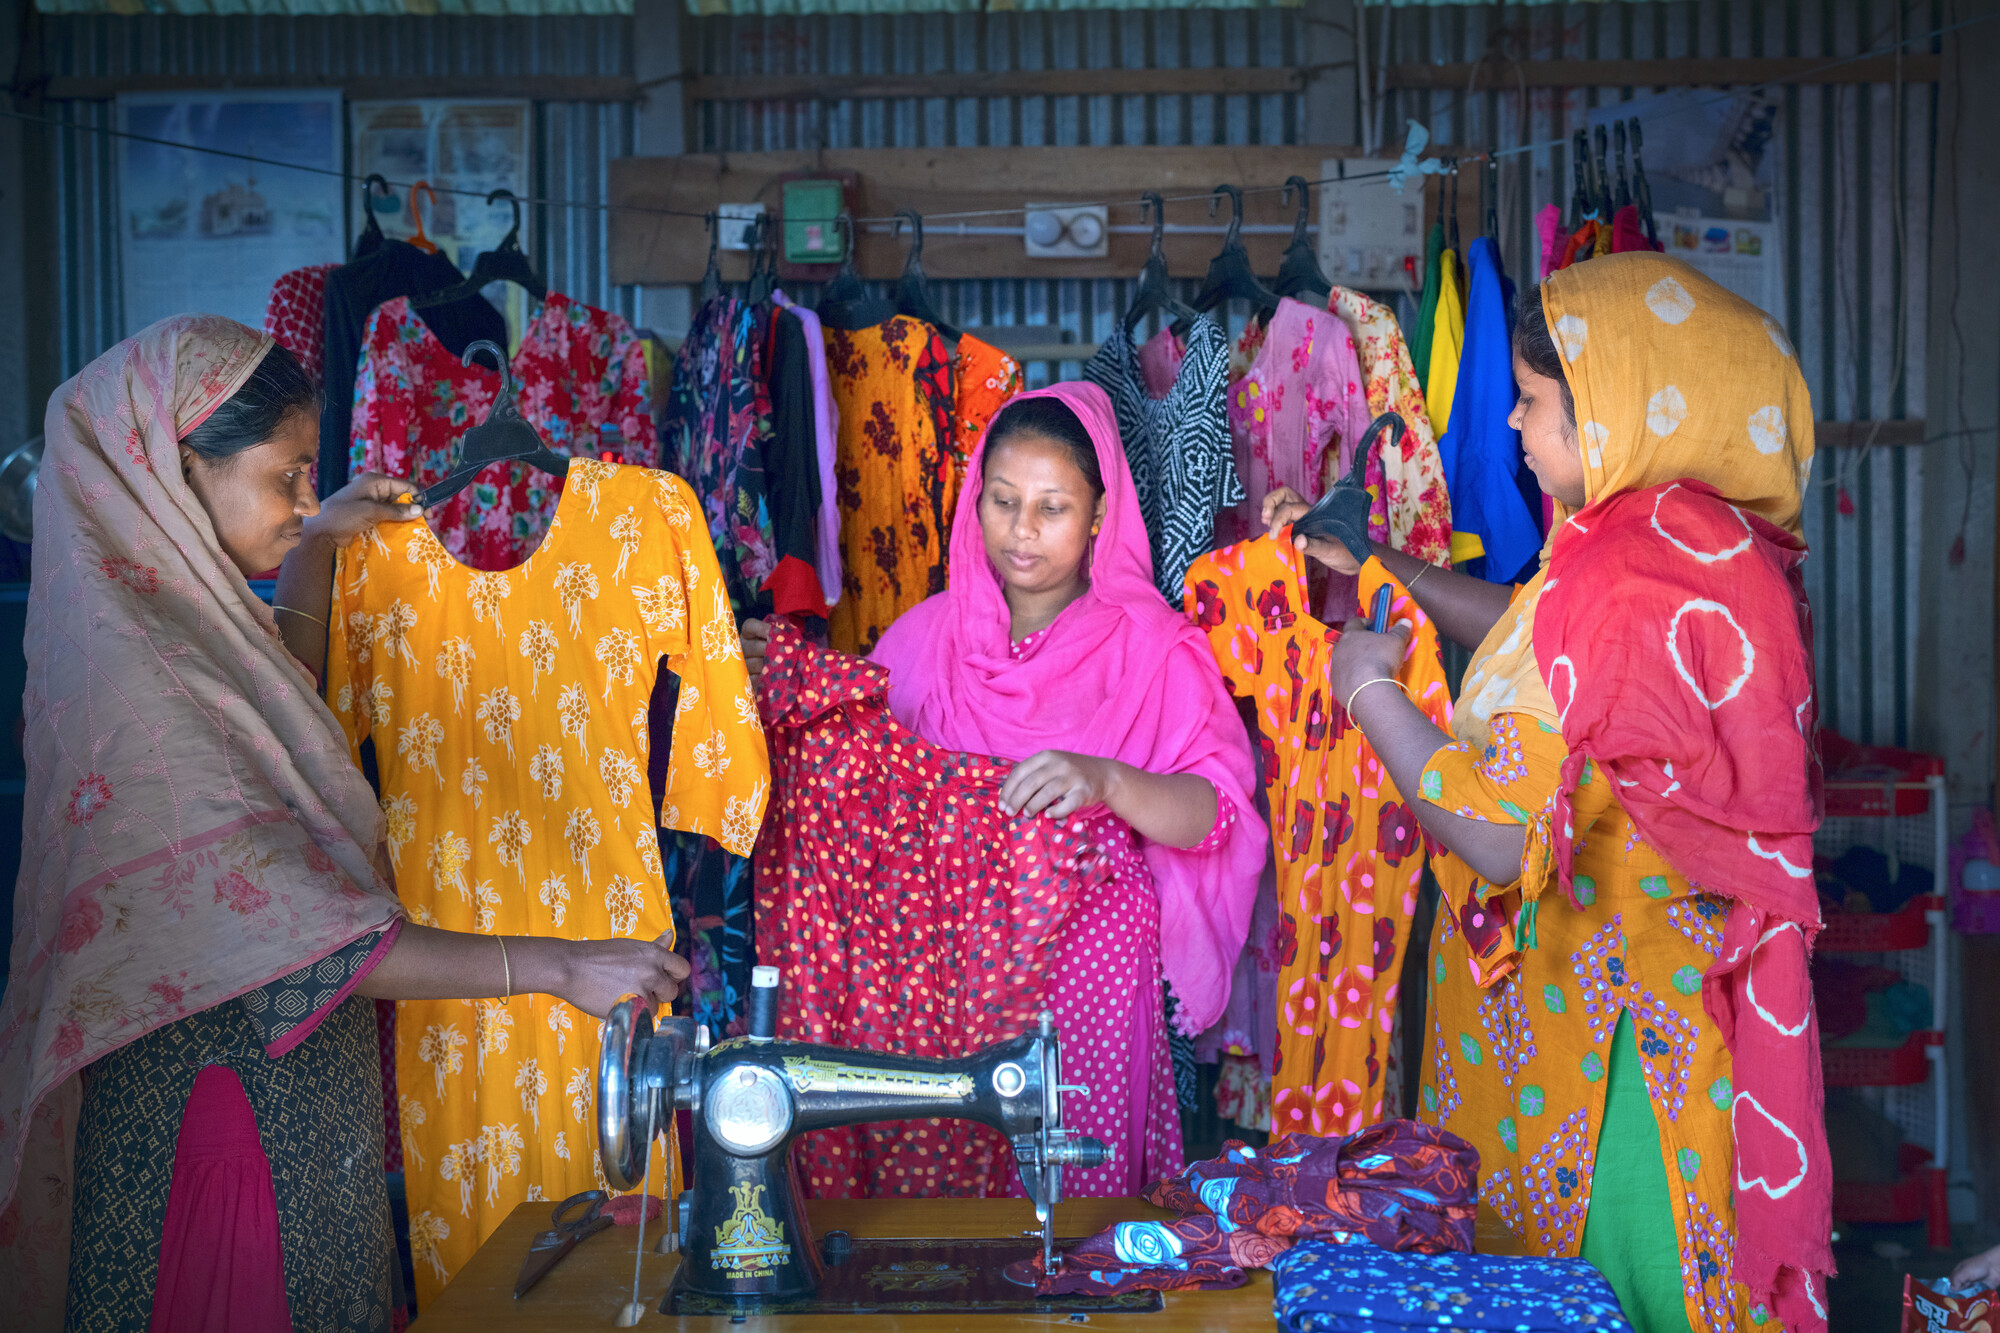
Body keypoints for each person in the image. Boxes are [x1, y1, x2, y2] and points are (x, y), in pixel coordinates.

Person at [0, 316, 687, 1332]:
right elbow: (300, 945)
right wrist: (561, 967)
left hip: (277, 1108)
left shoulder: (169, 630)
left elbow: (286, 688)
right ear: (181, 471)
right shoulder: (137, 697)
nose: (305, 500)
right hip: (219, 1131)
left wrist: (316, 545)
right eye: (285, 479)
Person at [1265, 253, 1832, 1332]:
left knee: (1603, 1290)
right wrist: (1388, 561)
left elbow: (1491, 832)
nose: (1513, 428)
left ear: (1614, 411)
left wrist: (1369, 690)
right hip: (1669, 1013)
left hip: (1607, 1051)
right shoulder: (1677, 542)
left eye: (1532, 404)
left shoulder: (1621, 580)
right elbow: (1538, 637)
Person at [743, 384, 1265, 1193]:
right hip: (937, 972)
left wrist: (1108, 780)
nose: (1022, 530)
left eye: (1053, 507)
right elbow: (868, 802)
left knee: (1069, 1198)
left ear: (1101, 514)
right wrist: (781, 690)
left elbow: (1215, 815)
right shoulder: (922, 639)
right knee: (945, 1212)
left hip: (1084, 969)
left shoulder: (1156, 650)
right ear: (973, 501)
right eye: (1003, 500)